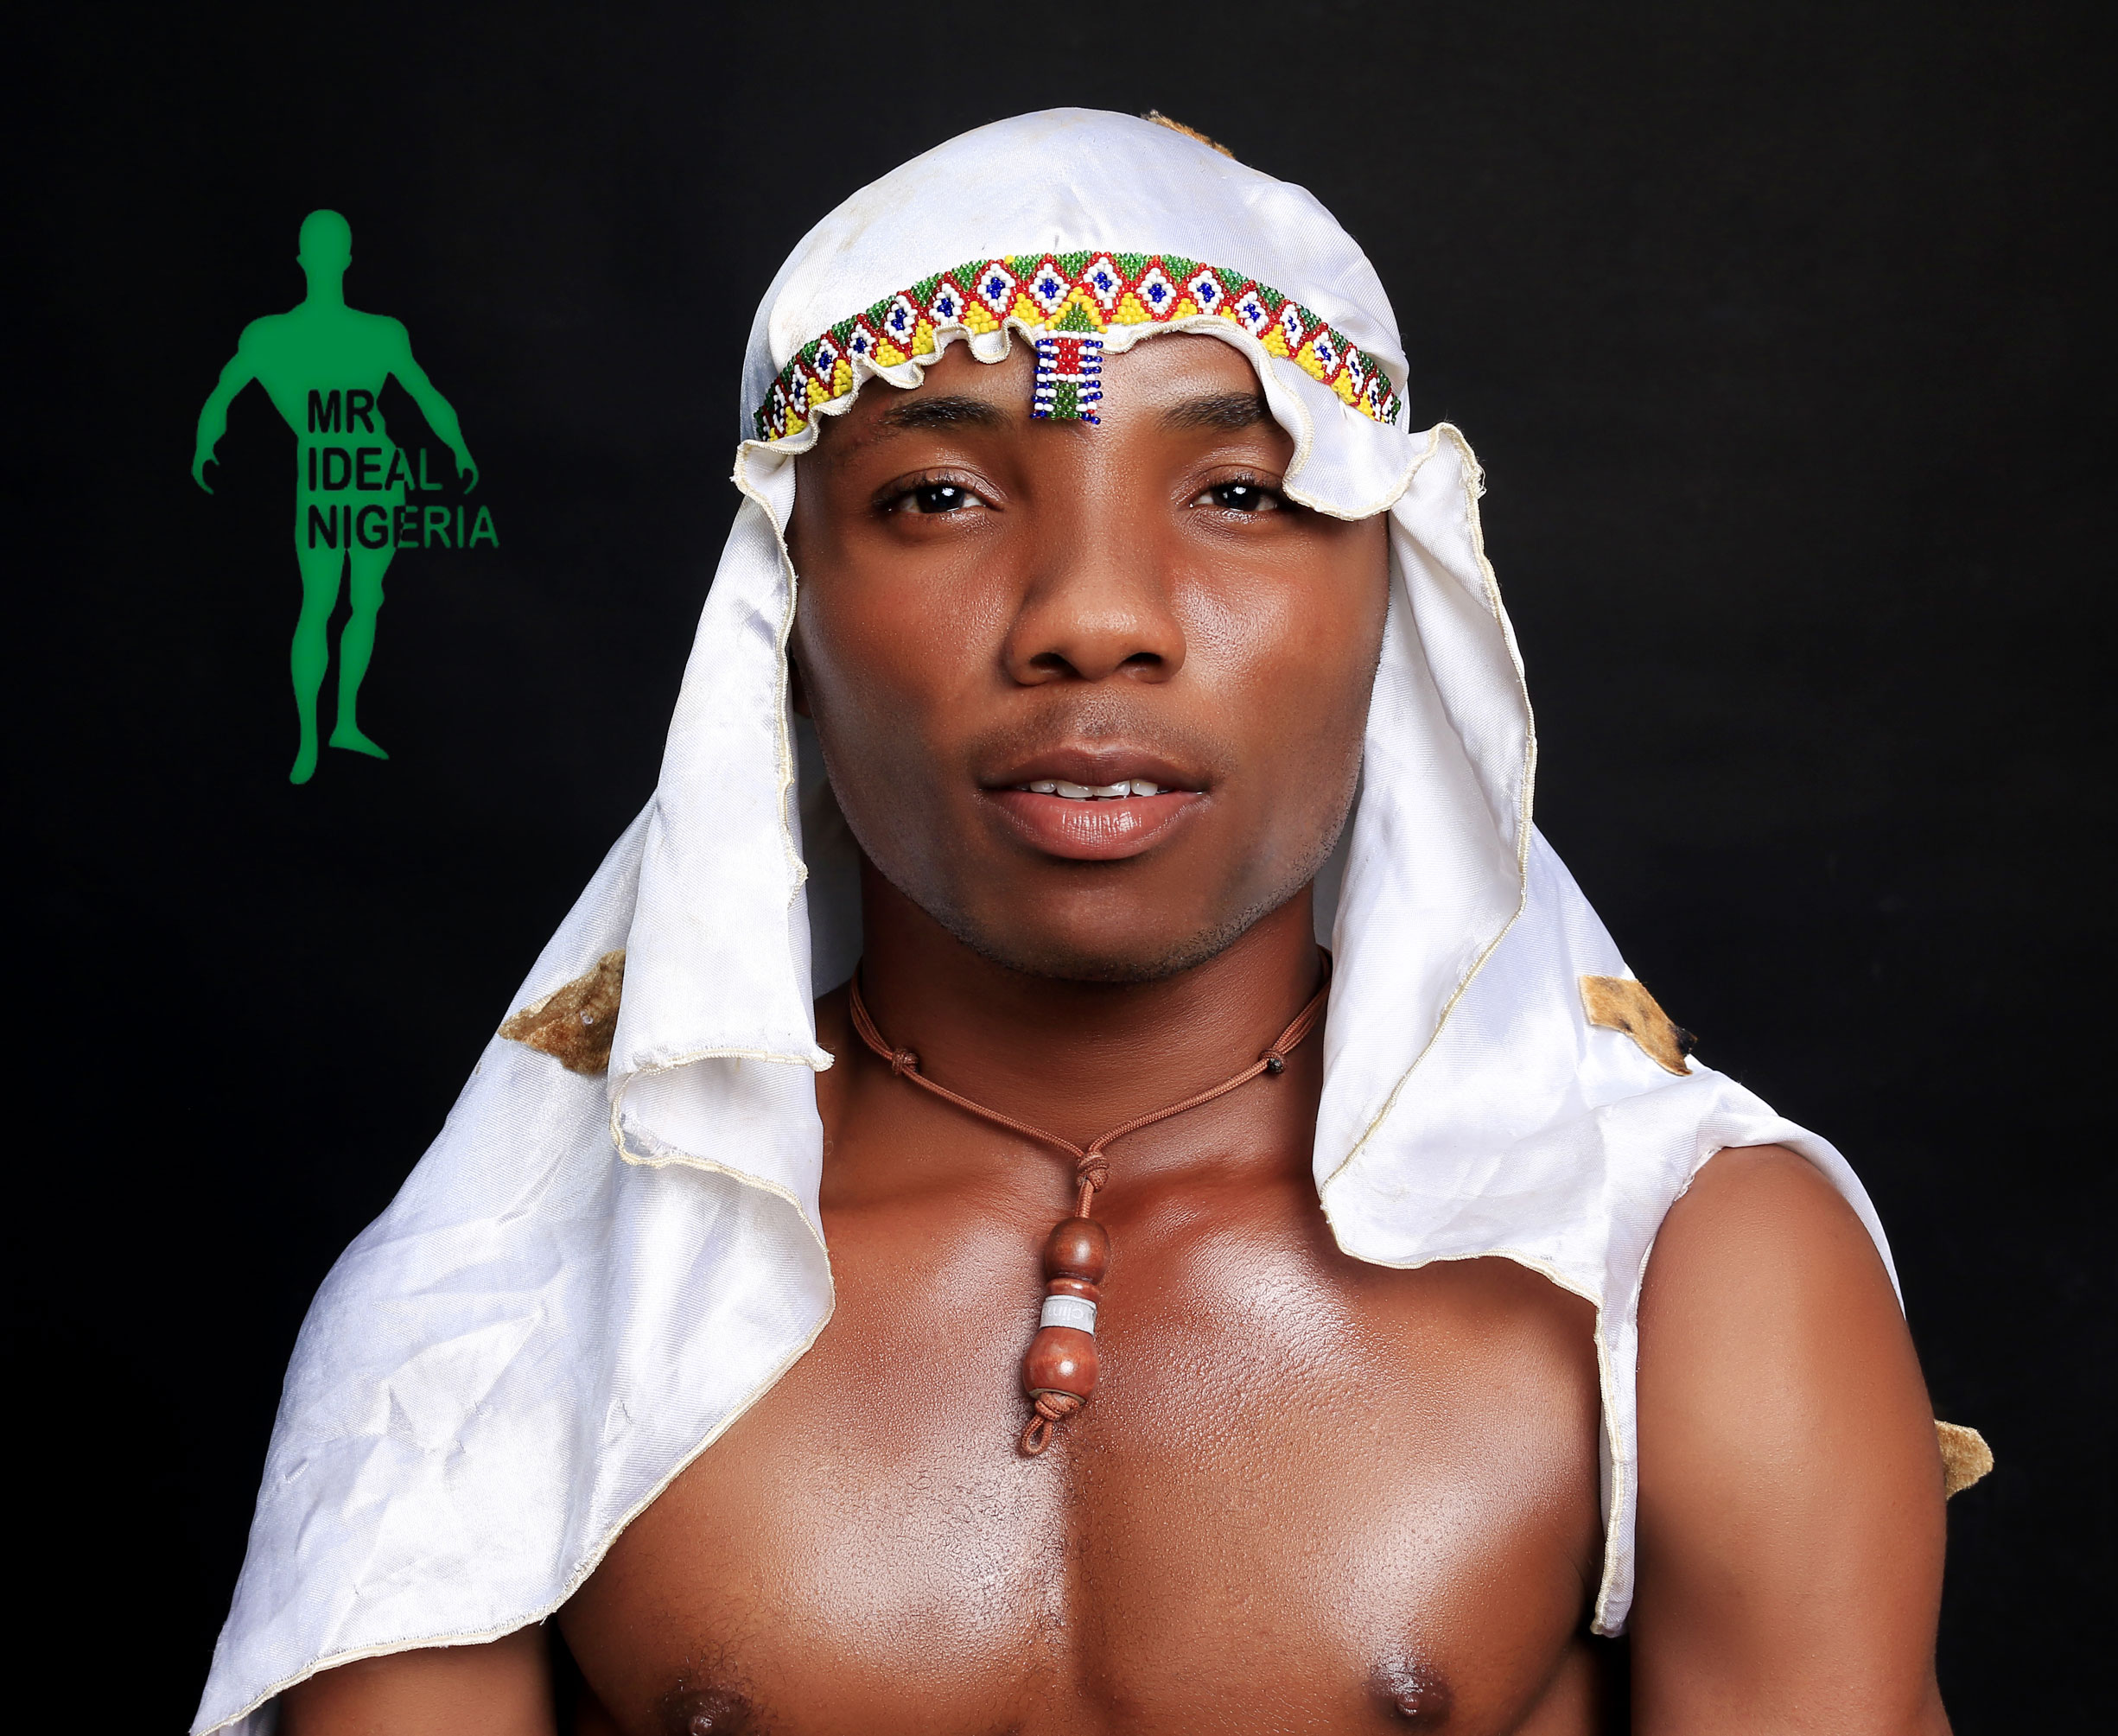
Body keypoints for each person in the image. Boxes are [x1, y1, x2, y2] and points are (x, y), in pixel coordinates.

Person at [195, 112, 1978, 1734]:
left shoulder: (1680, 1273)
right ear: (782, 621)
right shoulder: (502, 1302)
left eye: (1240, 492)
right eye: (938, 495)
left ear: (1397, 599)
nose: (1095, 614)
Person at [192, 209, 479, 784]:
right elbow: (427, 398)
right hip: (350, 478)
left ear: (305, 259)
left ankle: (336, 725)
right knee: (336, 603)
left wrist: (206, 444)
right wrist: (457, 449)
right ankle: (316, 733)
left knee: (347, 601)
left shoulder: (281, 337)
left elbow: (223, 395)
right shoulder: (360, 335)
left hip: (363, 479)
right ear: (344, 259)